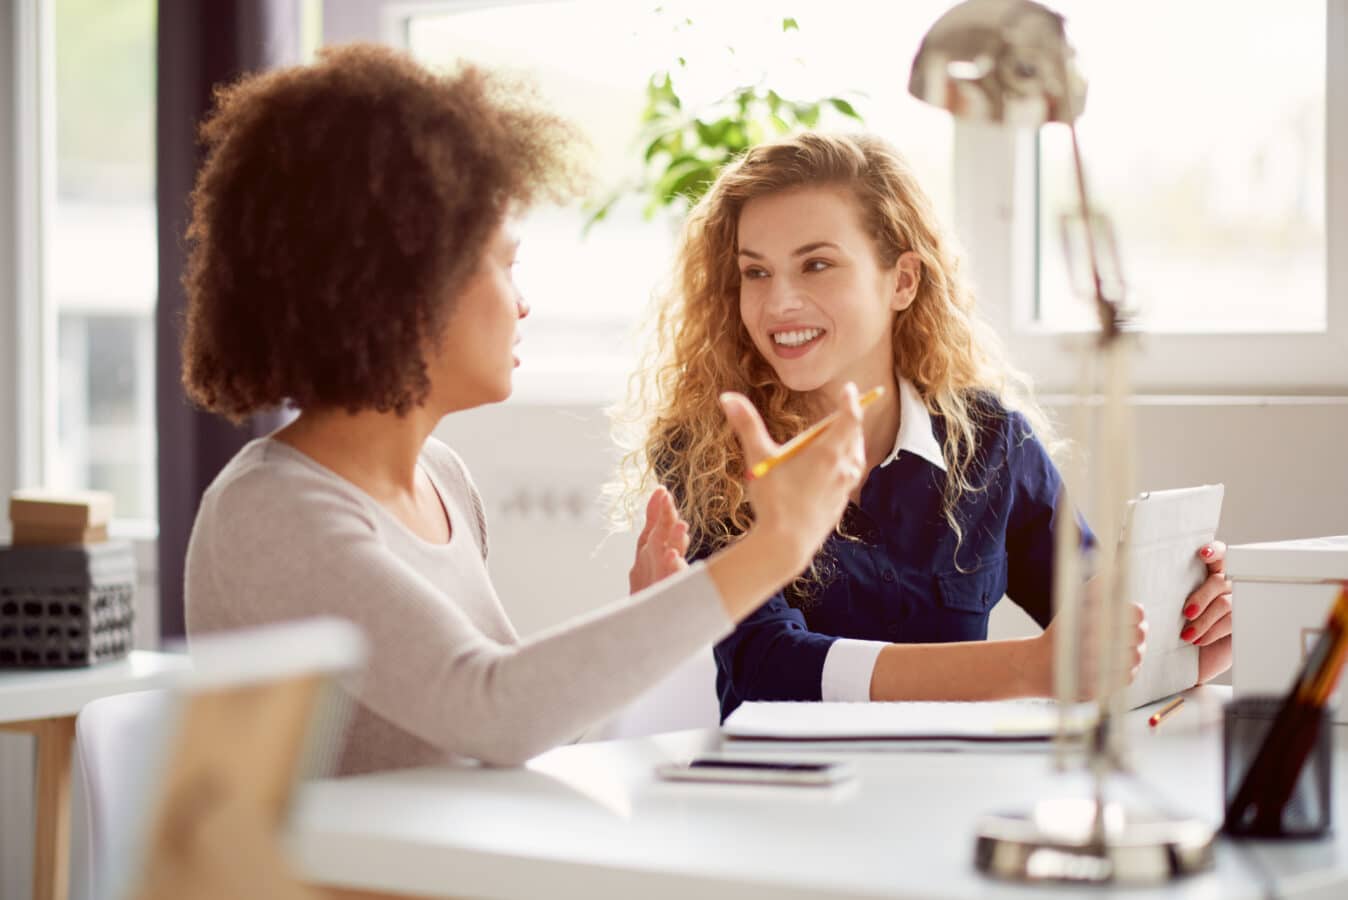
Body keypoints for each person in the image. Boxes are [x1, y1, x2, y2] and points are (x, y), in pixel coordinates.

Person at [180, 44, 870, 773]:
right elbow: (493, 713)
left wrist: (645, 612)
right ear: (405, 285)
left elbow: (514, 733)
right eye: (507, 265)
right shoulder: (271, 511)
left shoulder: (442, 480)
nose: (523, 302)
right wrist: (772, 551)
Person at [621, 131, 1233, 721]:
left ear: (903, 281)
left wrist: (1189, 637)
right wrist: (1027, 668)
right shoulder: (707, 449)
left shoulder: (993, 444)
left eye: (816, 265)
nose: (778, 303)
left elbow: (1098, 636)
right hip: (787, 803)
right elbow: (765, 667)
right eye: (756, 272)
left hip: (955, 796)